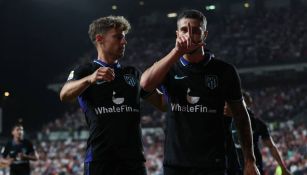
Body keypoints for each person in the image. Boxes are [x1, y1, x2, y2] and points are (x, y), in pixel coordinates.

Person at [140, 9, 259, 175]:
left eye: (196, 30)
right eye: (184, 30)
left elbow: (241, 115)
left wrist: (250, 161)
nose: (189, 35)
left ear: (205, 34)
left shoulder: (224, 71)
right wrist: (177, 52)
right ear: (177, 34)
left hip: (212, 164)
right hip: (176, 164)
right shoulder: (169, 67)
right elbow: (145, 84)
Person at [60, 16, 164, 175]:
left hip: (134, 161)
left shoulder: (133, 73)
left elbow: (162, 103)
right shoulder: (85, 71)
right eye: (118, 37)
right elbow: (64, 94)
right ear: (100, 39)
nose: (124, 42)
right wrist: (90, 79)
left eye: (124, 37)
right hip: (101, 160)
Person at [226, 91, 292, 175]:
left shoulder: (257, 123)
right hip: (236, 168)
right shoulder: (227, 122)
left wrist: (283, 167)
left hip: (254, 167)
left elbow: (271, 146)